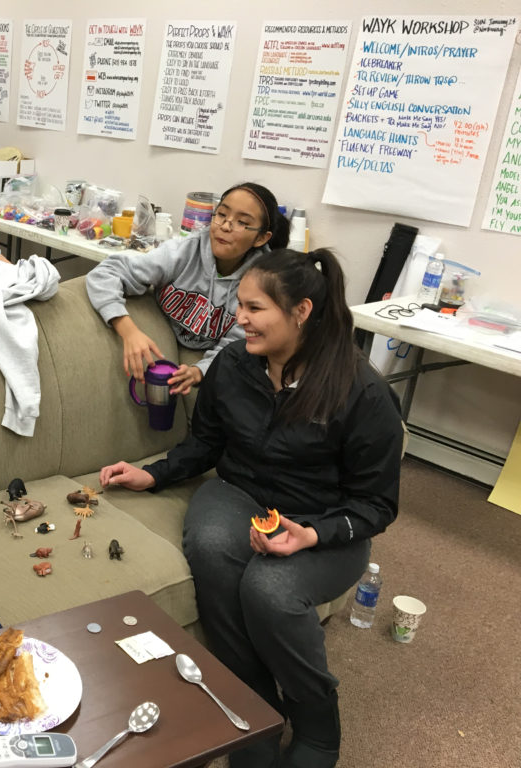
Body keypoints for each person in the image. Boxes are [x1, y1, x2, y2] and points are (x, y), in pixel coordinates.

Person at [98, 249, 403, 768]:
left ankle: (317, 724)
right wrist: (155, 474)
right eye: (240, 304)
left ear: (301, 310)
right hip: (238, 492)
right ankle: (252, 706)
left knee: (269, 588)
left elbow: (376, 504)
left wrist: (311, 534)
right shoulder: (235, 364)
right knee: (213, 547)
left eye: (255, 308)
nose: (239, 318)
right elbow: (207, 443)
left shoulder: (363, 391)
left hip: (325, 521)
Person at [86, 182, 289, 414]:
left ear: (261, 238)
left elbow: (236, 345)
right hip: (163, 337)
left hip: (208, 356)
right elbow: (105, 273)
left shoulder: (260, 282)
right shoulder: (182, 252)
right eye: (221, 215)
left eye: (242, 222)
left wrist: (199, 370)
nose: (225, 226)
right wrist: (128, 330)